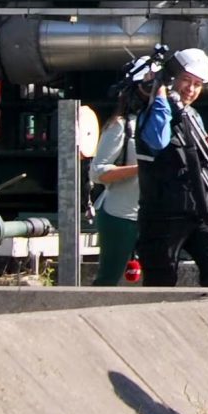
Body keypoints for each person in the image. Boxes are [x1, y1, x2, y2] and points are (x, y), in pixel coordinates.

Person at [135, 47, 208, 288]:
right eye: (186, 81)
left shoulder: (193, 116)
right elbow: (157, 139)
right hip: (163, 213)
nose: (191, 89)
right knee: (161, 280)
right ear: (172, 79)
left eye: (197, 84)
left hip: (197, 208)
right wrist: (162, 97)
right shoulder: (153, 111)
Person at [88, 104, 141, 286]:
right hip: (122, 214)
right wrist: (140, 169)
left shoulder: (179, 121)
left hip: (158, 214)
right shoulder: (122, 125)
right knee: (110, 279)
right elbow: (97, 172)